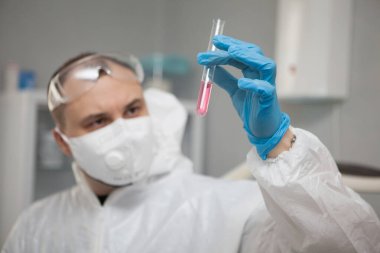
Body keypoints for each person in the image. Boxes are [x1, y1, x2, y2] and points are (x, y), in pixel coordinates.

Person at [2, 35, 380, 253]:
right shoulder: (36, 226)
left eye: (133, 109)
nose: (123, 128)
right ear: (63, 142)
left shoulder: (230, 209)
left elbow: (348, 245)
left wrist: (278, 142)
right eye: (97, 120)